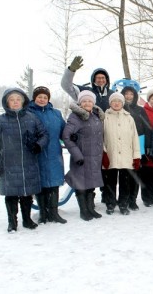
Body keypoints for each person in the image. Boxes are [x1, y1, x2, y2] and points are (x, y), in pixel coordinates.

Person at [0, 88, 48, 233]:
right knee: (11, 194)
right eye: (12, 100)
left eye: (18, 99)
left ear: (23, 101)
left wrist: (38, 146)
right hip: (9, 164)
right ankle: (12, 222)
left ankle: (27, 219)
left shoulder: (31, 118)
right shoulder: (0, 121)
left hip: (29, 162)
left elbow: (44, 134)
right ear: (7, 102)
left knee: (27, 193)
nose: (15, 102)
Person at [61, 55, 114, 205]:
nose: (100, 80)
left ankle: (108, 197)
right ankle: (88, 201)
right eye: (97, 78)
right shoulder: (84, 92)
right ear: (93, 79)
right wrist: (71, 70)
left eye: (103, 78)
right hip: (88, 137)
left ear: (107, 80)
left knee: (107, 168)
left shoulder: (112, 94)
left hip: (106, 136)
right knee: (89, 169)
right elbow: (66, 85)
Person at [62, 90, 105, 221]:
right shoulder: (75, 117)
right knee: (81, 184)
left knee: (91, 183)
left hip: (95, 157)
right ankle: (84, 210)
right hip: (81, 157)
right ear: (80, 103)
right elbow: (66, 136)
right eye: (84, 101)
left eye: (90, 101)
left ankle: (91, 209)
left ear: (93, 103)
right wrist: (77, 155)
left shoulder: (96, 116)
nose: (87, 103)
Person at [28, 86, 67, 224]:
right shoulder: (27, 112)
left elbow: (64, 130)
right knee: (41, 183)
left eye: (45, 97)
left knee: (54, 183)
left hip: (54, 152)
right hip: (36, 152)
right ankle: (43, 213)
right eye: (39, 97)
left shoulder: (56, 113)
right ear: (34, 98)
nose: (42, 99)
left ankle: (54, 212)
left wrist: (72, 136)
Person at [103, 92, 141, 215]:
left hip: (126, 156)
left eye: (119, 101)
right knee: (110, 182)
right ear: (110, 103)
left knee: (125, 183)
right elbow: (100, 138)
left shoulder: (129, 118)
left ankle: (123, 204)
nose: (116, 103)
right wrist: (104, 154)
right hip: (111, 155)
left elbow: (135, 138)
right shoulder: (104, 117)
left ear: (122, 103)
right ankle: (110, 203)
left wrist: (136, 156)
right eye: (114, 101)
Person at [121, 86, 152, 211]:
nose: (128, 96)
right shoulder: (119, 108)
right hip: (123, 146)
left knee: (136, 174)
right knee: (124, 175)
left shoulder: (140, 110)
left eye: (131, 94)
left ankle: (132, 200)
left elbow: (147, 128)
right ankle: (123, 199)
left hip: (138, 145)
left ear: (134, 96)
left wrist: (147, 146)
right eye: (126, 94)